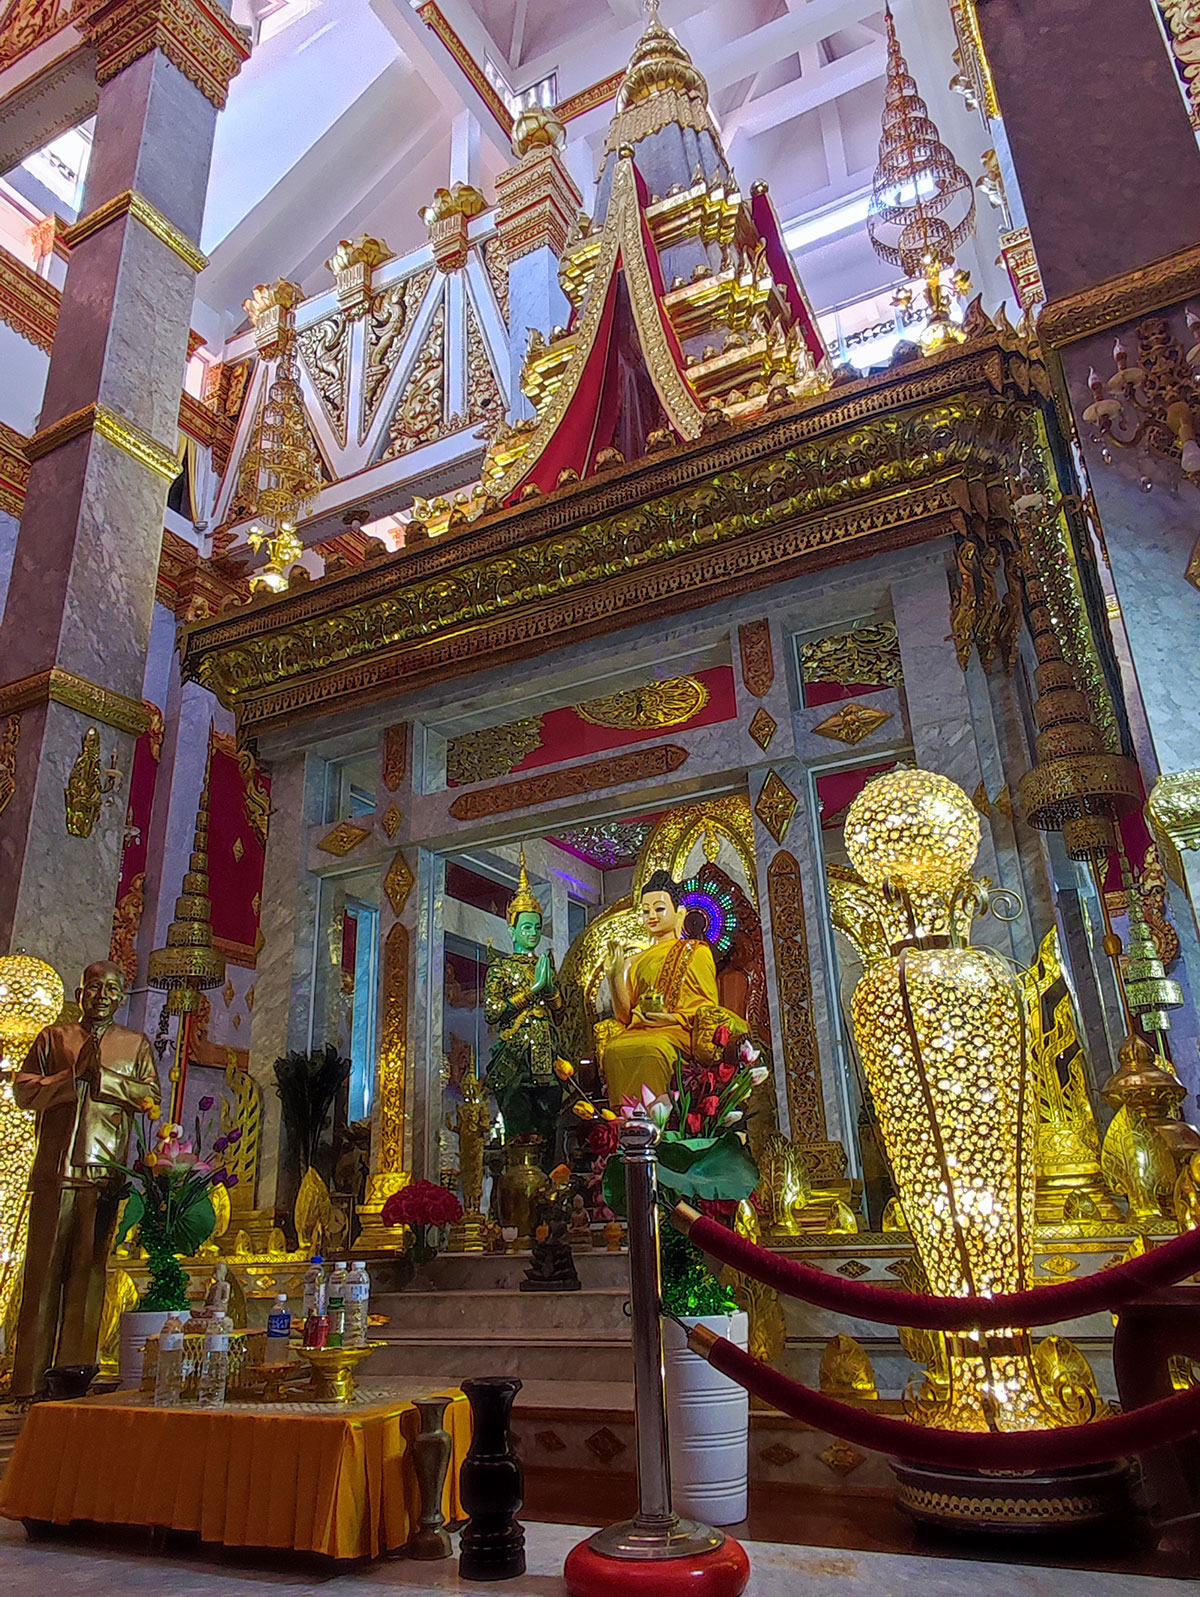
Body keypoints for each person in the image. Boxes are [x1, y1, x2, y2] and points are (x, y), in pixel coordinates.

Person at [11, 960, 160, 1398]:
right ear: (81, 993)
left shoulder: (133, 1044)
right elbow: (23, 1089)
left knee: (88, 1273)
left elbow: (150, 1097)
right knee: (41, 1274)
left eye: (112, 989)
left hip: (104, 1170)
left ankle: (73, 1377)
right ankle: (26, 1382)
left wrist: (106, 1080)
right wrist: (68, 1077)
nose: (102, 996)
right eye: (94, 987)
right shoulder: (55, 1038)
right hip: (55, 1169)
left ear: (121, 997)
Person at [599, 871, 721, 1107]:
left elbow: (707, 1007)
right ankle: (625, 1126)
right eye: (645, 911)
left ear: (679, 914)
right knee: (614, 1049)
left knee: (651, 1049)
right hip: (639, 1029)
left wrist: (670, 1017)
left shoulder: (696, 951)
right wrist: (614, 975)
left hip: (677, 1031)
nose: (651, 916)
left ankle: (656, 1124)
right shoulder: (633, 960)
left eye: (659, 909)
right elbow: (624, 1016)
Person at [483, 849, 564, 1158]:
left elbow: (558, 1009)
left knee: (548, 1138)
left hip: (547, 1054)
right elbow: (492, 1012)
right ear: (512, 929)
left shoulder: (545, 962)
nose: (532, 933)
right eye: (526, 927)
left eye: (536, 927)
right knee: (518, 1138)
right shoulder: (501, 968)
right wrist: (532, 992)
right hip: (515, 1057)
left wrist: (551, 990)